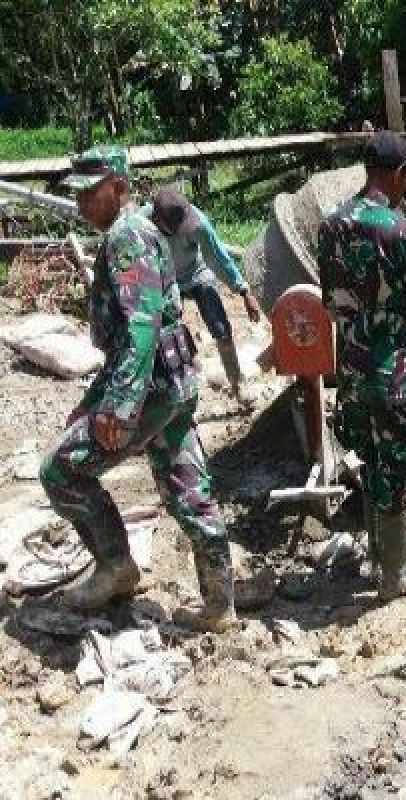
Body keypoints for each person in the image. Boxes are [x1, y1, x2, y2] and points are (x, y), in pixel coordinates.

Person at [40, 146, 236, 632]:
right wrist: (92, 404)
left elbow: (141, 328)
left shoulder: (127, 235)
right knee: (187, 485)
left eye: (92, 192)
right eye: (78, 194)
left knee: (60, 471)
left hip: (148, 385)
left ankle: (115, 566)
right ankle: (219, 603)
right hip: (174, 380)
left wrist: (119, 409)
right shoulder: (135, 231)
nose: (83, 203)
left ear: (120, 188)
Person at [317, 131, 406, 601]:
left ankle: (371, 558)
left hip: (350, 369)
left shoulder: (329, 226)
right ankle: (395, 574)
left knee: (367, 458)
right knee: (397, 464)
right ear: (400, 174)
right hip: (393, 371)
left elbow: (329, 304)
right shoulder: (400, 231)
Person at [142, 188, 262, 397]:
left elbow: (218, 258)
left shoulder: (199, 224)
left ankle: (236, 382)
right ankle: (178, 384)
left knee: (220, 328)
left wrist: (243, 291)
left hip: (197, 274)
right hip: (165, 280)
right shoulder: (141, 224)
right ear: (159, 221)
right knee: (166, 333)